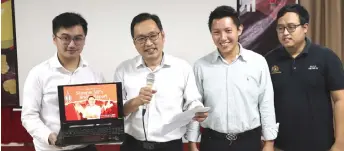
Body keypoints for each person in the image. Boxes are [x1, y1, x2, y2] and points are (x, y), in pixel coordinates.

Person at [187, 5, 279, 151]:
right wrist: (192, 143)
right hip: (212, 142)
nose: (223, 38)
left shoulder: (258, 62)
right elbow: (195, 107)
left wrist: (269, 142)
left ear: (240, 29)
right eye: (216, 32)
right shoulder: (201, 66)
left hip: (249, 142)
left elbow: (266, 104)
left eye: (228, 31)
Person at [114, 13, 208, 151]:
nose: (148, 43)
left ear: (162, 36)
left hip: (170, 146)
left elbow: (192, 102)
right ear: (134, 43)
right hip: (133, 145)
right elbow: (115, 113)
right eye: (141, 38)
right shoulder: (123, 69)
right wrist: (136, 102)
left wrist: (197, 110)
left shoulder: (182, 68)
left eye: (153, 35)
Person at [265, 4, 344, 151]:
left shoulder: (326, 57)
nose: (285, 33)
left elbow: (340, 99)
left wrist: (341, 142)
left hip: (321, 145)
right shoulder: (269, 60)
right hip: (281, 146)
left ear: (305, 27)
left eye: (291, 27)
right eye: (280, 28)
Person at [21, 12, 104, 151]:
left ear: (84, 40)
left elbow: (100, 111)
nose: (72, 44)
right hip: (51, 148)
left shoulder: (94, 75)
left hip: (86, 147)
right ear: (54, 39)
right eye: (65, 38)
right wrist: (49, 136)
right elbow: (29, 116)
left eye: (78, 38)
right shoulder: (38, 74)